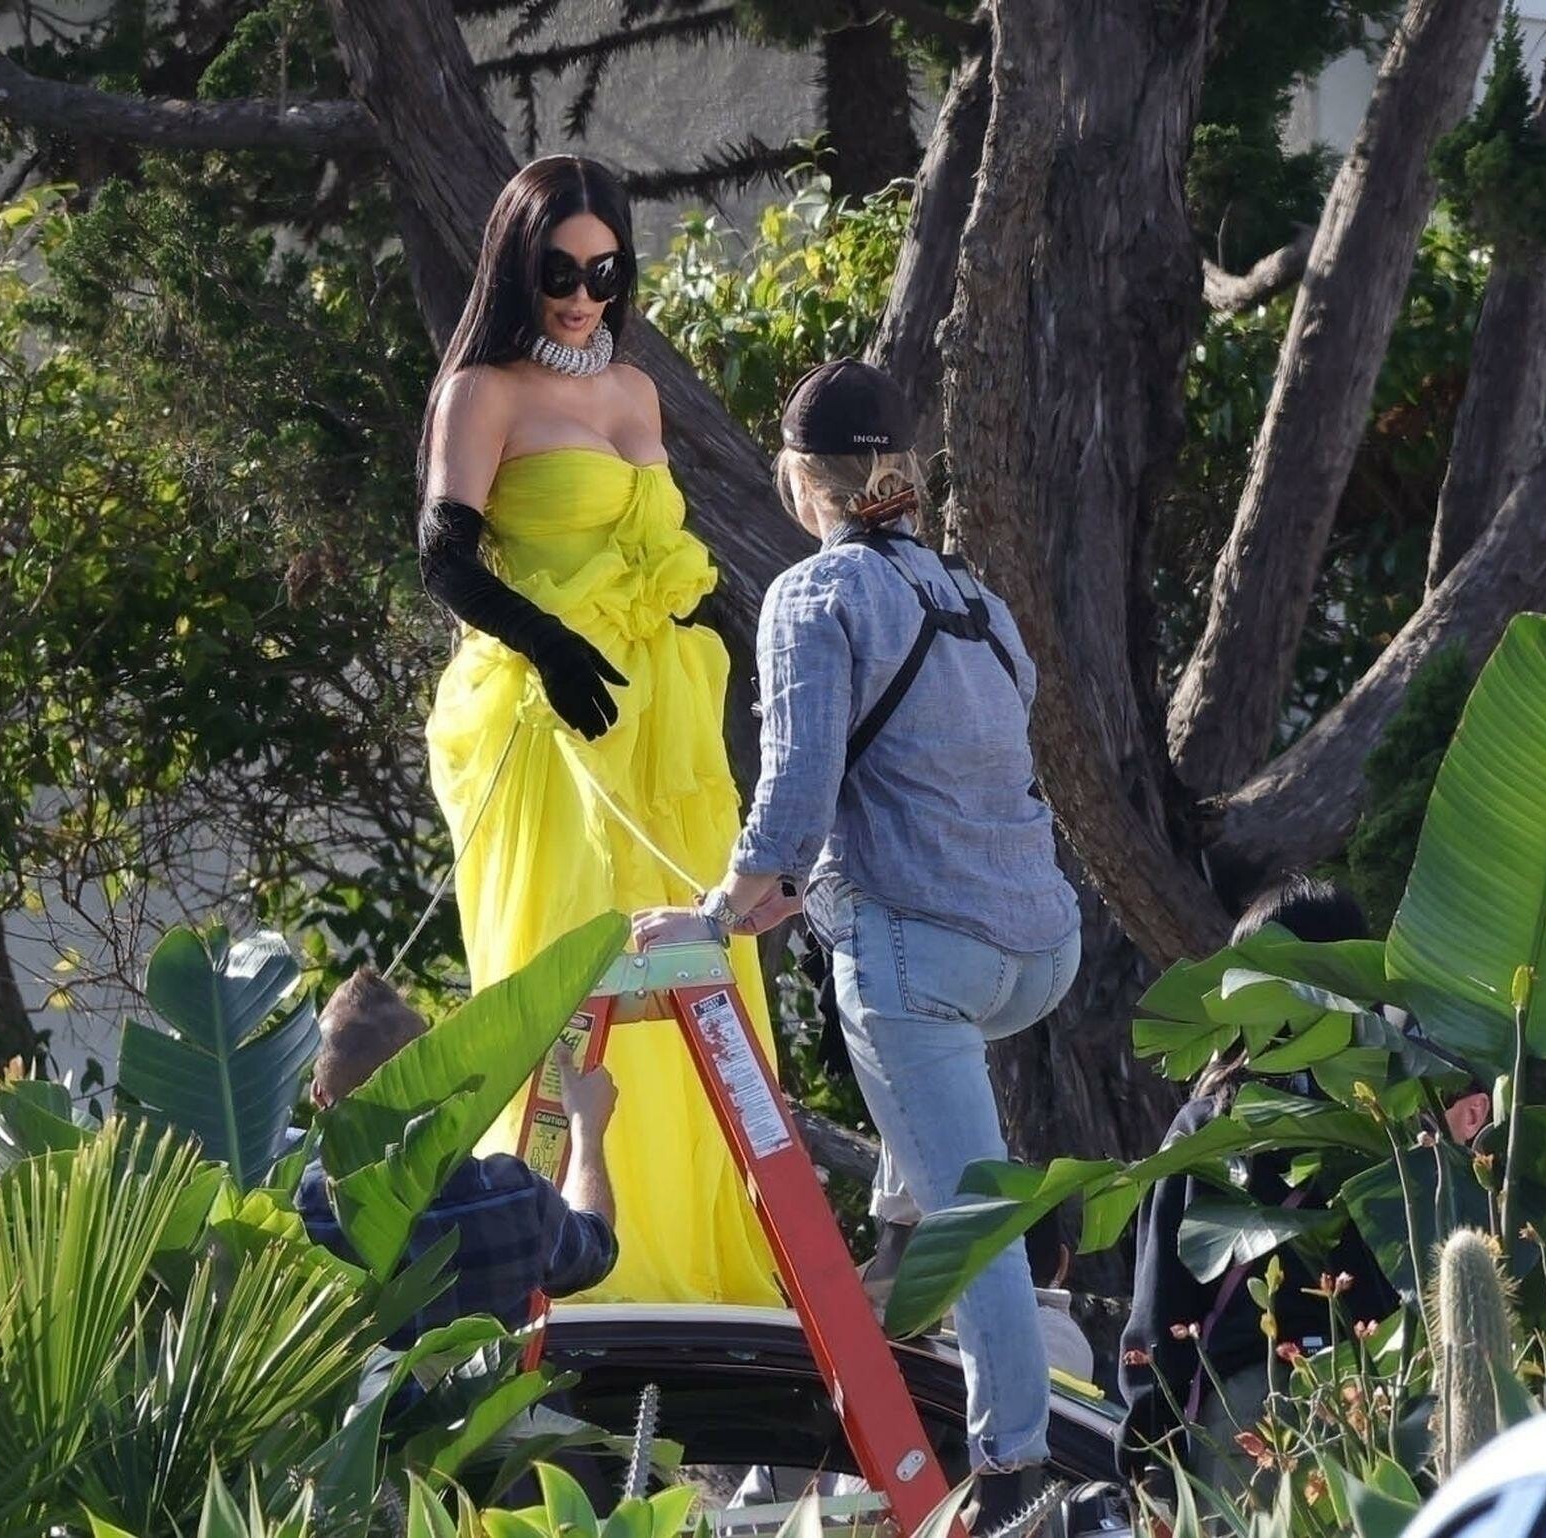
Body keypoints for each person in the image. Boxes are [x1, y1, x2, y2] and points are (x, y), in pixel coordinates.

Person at [632, 358, 1083, 1533]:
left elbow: (793, 798)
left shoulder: (814, 595)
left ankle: (1014, 1475)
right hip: (1038, 948)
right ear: (904, 473)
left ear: (798, 480)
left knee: (973, 1223)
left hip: (923, 962)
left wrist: (717, 917)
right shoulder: (978, 602)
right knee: (933, 1158)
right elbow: (944, 776)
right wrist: (800, 886)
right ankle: (897, 1247)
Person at [416, 154, 780, 1305]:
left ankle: (702, 1269)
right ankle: (567, 1268)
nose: (583, 296)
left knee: (691, 976)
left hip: (658, 726)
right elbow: (442, 556)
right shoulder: (484, 393)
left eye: (605, 272)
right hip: (547, 724)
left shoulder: (633, 391)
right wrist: (549, 646)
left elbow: (664, 555)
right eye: (560, 273)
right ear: (519, 269)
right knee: (567, 971)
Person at [1115, 875, 1441, 1505]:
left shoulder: (1211, 1128)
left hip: (1252, 1417)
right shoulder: (1399, 1118)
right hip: (1385, 1404)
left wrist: (1147, 1454)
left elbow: (1162, 1304)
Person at [295, 967, 619, 1345]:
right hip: (481, 1387)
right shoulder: (512, 1195)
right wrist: (586, 1129)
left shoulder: (297, 1212)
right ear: (439, 1079)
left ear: (319, 1095)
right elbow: (594, 1249)